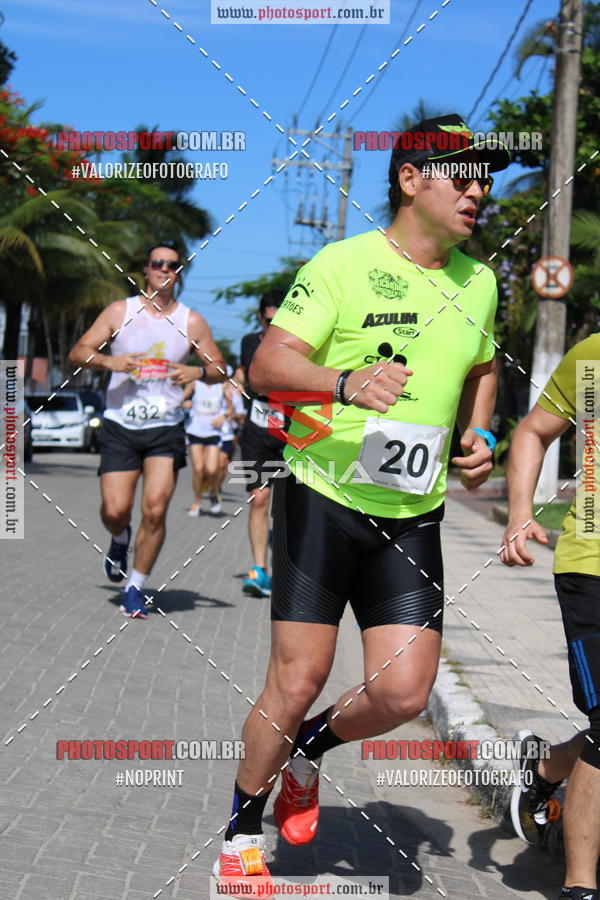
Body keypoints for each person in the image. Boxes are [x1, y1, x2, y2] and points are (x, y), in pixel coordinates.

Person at [213, 114, 510, 889]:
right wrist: (345, 383)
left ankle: (309, 752)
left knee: (404, 692)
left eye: (487, 179)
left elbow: (482, 365)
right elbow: (271, 360)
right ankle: (242, 826)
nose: (479, 191)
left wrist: (477, 433)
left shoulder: (480, 281)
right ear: (410, 180)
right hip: (325, 497)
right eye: (464, 175)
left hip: (413, 511)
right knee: (299, 678)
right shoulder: (343, 264)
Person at [69, 241, 226, 618]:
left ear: (179, 272)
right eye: (158, 263)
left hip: (165, 429)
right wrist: (110, 360)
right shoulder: (120, 311)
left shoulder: (191, 321)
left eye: (172, 265)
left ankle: (135, 586)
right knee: (115, 509)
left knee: (155, 510)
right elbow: (78, 352)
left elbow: (221, 369)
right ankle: (119, 539)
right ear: (146, 269)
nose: (164, 269)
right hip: (121, 425)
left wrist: (197, 371)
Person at [501, 333, 600, 900]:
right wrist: (519, 512)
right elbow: (535, 430)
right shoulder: (590, 358)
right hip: (592, 565)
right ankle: (579, 884)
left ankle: (547, 765)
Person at [234, 290, 286, 598]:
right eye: (269, 321)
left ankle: (288, 569)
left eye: (281, 321)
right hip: (257, 428)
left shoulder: (302, 346)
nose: (274, 326)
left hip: (294, 429)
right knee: (259, 499)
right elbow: (257, 380)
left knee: (288, 506)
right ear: (260, 318)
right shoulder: (249, 343)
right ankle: (258, 569)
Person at [183, 379, 227, 515]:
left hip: (213, 432)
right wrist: (184, 404)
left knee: (212, 469)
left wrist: (223, 416)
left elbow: (232, 409)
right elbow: (178, 400)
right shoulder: (194, 383)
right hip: (195, 430)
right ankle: (197, 502)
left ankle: (213, 493)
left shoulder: (223, 386)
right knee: (198, 469)